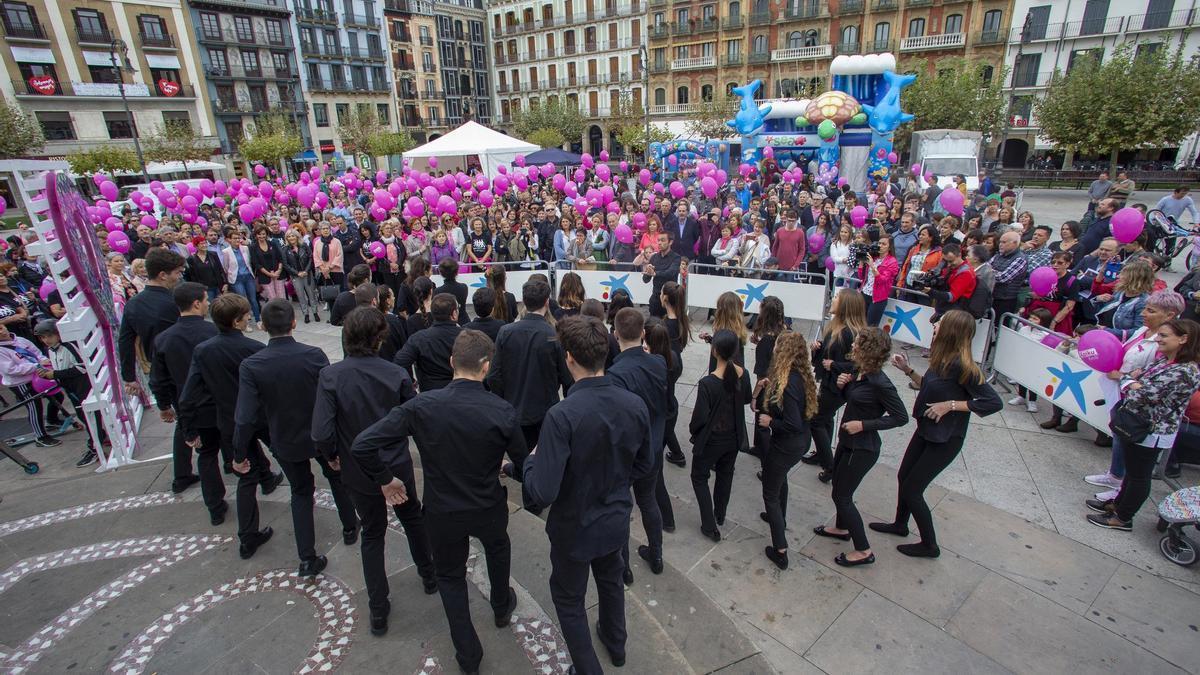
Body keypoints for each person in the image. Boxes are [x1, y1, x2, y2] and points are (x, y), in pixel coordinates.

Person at [352, 329, 527, 665]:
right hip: (487, 504)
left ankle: (468, 652)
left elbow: (362, 444)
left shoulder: (421, 406)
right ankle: (501, 605)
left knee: (450, 576)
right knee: (498, 547)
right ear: (486, 366)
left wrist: (385, 478)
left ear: (451, 363)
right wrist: (510, 467)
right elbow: (521, 463)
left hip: (442, 511)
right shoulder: (502, 410)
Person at [523, 316, 653, 675]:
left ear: (569, 358)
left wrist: (529, 462)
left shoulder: (561, 415)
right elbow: (645, 467)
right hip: (614, 520)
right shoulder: (633, 404)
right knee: (611, 582)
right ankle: (616, 643)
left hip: (573, 527)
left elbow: (542, 491)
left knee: (568, 599)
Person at [312, 307, 436, 635]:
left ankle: (378, 608)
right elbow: (414, 421)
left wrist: (332, 457)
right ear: (379, 339)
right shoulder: (394, 374)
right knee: (412, 519)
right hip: (394, 464)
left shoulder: (331, 376)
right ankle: (429, 575)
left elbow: (322, 432)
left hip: (357, 468)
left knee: (372, 533)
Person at [233, 299, 360, 577]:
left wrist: (239, 453)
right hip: (318, 433)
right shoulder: (313, 355)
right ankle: (350, 526)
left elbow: (244, 416)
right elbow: (331, 399)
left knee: (301, 492)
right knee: (336, 478)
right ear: (293, 323)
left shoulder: (252, 366)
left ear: (264, 326)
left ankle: (307, 555)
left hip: (284, 437)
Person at [877, 310, 1002, 557]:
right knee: (904, 476)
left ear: (951, 331)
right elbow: (934, 386)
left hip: (945, 439)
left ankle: (929, 545)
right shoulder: (942, 357)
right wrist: (907, 370)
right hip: (926, 430)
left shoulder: (964, 366)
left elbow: (993, 402)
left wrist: (951, 406)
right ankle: (900, 524)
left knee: (913, 489)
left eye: (940, 323)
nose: (934, 325)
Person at [178, 294, 283, 559]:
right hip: (262, 417)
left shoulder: (204, 351)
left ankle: (248, 535)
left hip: (230, 420)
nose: (249, 317)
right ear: (237, 321)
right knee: (284, 456)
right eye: (246, 315)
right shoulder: (254, 348)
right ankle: (302, 494)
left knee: (245, 477)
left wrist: (189, 429)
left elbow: (188, 395)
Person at [1087, 319, 1200, 530]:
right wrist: (1132, 380)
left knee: (1139, 475)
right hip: (1138, 424)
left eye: (1164, 336)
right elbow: (1136, 378)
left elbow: (1145, 393)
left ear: (1183, 339)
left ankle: (1123, 518)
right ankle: (1118, 505)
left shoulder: (1186, 371)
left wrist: (1127, 381)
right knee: (1132, 471)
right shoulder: (1164, 361)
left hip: (1152, 430)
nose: (1158, 339)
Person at [812, 328, 909, 567]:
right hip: (847, 441)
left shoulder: (880, 383)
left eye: (856, 344)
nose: (852, 346)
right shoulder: (860, 372)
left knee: (842, 495)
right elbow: (856, 399)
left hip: (863, 448)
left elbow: (901, 417)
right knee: (838, 485)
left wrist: (864, 425)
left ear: (868, 350)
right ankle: (840, 528)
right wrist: (845, 386)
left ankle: (863, 550)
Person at [148, 282, 224, 507]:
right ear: (196, 303)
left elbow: (158, 379)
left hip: (187, 404)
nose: (208, 303)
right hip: (217, 401)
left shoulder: (163, 339)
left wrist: (163, 406)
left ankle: (214, 504)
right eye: (205, 300)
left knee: (206, 455)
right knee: (228, 443)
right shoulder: (212, 331)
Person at [607, 308, 669, 578]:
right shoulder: (658, 363)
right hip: (653, 446)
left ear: (616, 334)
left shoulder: (615, 374)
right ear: (643, 333)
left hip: (629, 454)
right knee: (648, 501)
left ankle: (625, 568)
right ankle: (656, 554)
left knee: (623, 507)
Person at [756, 332, 817, 570]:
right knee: (780, 482)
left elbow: (793, 423)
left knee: (769, 492)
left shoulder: (790, 382)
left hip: (787, 445)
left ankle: (780, 550)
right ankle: (779, 517)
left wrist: (769, 422)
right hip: (797, 443)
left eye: (777, 345)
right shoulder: (797, 376)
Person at [488, 279, 572, 450]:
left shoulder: (506, 332)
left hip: (514, 407)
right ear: (547, 302)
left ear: (524, 301)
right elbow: (566, 377)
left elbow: (494, 375)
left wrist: (504, 399)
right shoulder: (553, 334)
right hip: (544, 410)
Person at [689, 330, 752, 542]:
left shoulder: (708, 383)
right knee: (726, 474)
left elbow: (699, 417)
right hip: (734, 437)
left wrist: (694, 432)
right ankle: (720, 514)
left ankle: (709, 524)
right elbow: (747, 399)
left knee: (699, 477)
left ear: (715, 351)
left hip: (712, 439)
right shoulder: (743, 374)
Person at [807, 289, 867, 481]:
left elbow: (859, 364)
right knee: (825, 418)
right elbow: (826, 354)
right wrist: (817, 349)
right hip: (828, 381)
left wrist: (835, 365)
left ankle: (829, 464)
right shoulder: (835, 326)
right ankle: (821, 454)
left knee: (815, 420)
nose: (832, 300)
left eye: (836, 298)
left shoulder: (851, 333)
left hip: (838, 386)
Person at [34, 319, 107, 465]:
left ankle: (95, 448)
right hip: (70, 389)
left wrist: (54, 374)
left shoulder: (70, 346)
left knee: (91, 417)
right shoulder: (50, 350)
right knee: (83, 416)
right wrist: (50, 373)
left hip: (83, 388)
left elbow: (83, 367)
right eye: (43, 337)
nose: (46, 340)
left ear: (58, 334)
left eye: (49, 336)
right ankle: (99, 437)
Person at [119, 248, 184, 398]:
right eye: (177, 273)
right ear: (162, 275)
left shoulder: (133, 304)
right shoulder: (174, 302)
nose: (179, 277)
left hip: (159, 370)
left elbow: (125, 341)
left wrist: (129, 377)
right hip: (183, 368)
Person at [0, 322, 59, 447]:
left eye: (0, 328)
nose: (1, 332)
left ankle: (52, 419)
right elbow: (10, 370)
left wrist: (42, 360)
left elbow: (36, 352)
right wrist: (35, 366)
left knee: (57, 395)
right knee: (34, 407)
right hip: (20, 383)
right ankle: (40, 436)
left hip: (38, 375)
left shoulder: (20, 340)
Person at [394, 293, 463, 391]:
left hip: (430, 393)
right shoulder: (467, 336)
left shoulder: (419, 338)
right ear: (454, 314)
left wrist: (409, 387)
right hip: (459, 390)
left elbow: (399, 362)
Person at [750, 296, 786, 458]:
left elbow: (761, 374)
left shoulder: (767, 340)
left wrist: (754, 396)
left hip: (768, 385)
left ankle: (765, 454)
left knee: (762, 420)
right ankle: (759, 447)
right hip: (780, 382)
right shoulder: (783, 332)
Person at [219, 229, 261, 329]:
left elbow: (250, 262)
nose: (237, 240)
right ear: (229, 240)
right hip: (236, 278)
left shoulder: (245, 248)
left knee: (253, 299)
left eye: (238, 237)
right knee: (242, 300)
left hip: (248, 276)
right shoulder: (226, 252)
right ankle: (245, 323)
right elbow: (225, 267)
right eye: (234, 238)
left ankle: (258, 320)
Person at [860, 234, 899, 326]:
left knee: (870, 325)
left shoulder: (892, 262)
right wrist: (861, 262)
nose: (880, 246)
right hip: (865, 293)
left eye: (884, 244)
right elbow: (861, 277)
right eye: (879, 243)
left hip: (878, 298)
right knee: (860, 322)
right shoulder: (874, 257)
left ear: (889, 247)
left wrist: (872, 266)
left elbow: (882, 280)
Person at [990, 231, 1028, 321]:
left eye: (1004, 242)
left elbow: (1003, 278)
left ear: (1014, 243)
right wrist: (992, 272)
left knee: (998, 325)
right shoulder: (998, 255)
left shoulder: (1020, 259)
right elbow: (985, 268)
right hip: (992, 295)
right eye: (1000, 242)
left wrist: (990, 272)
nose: (1000, 244)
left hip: (1005, 300)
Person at [283, 229, 319, 323]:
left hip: (307, 273)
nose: (291, 238)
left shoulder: (304, 246)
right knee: (301, 295)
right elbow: (286, 264)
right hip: (296, 276)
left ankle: (315, 312)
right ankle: (306, 314)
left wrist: (306, 270)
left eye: (293, 236)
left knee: (311, 294)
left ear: (297, 236)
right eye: (289, 236)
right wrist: (296, 273)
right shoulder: (285, 249)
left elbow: (311, 258)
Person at [643, 232, 683, 317]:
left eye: (663, 240)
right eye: (658, 240)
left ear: (670, 242)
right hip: (656, 297)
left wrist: (655, 273)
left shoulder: (676, 257)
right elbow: (645, 280)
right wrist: (648, 271)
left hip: (670, 298)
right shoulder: (654, 257)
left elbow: (671, 272)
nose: (659, 243)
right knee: (653, 326)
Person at [185, 236, 225, 300]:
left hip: (217, 286)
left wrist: (225, 283)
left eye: (205, 243)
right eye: (201, 244)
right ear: (196, 246)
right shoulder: (191, 259)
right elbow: (192, 276)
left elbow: (220, 269)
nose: (204, 245)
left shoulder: (213, 254)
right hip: (204, 288)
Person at [437, 257, 470, 325]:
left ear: (441, 273)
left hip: (446, 323)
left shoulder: (438, 291)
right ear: (457, 272)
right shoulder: (463, 287)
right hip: (463, 321)